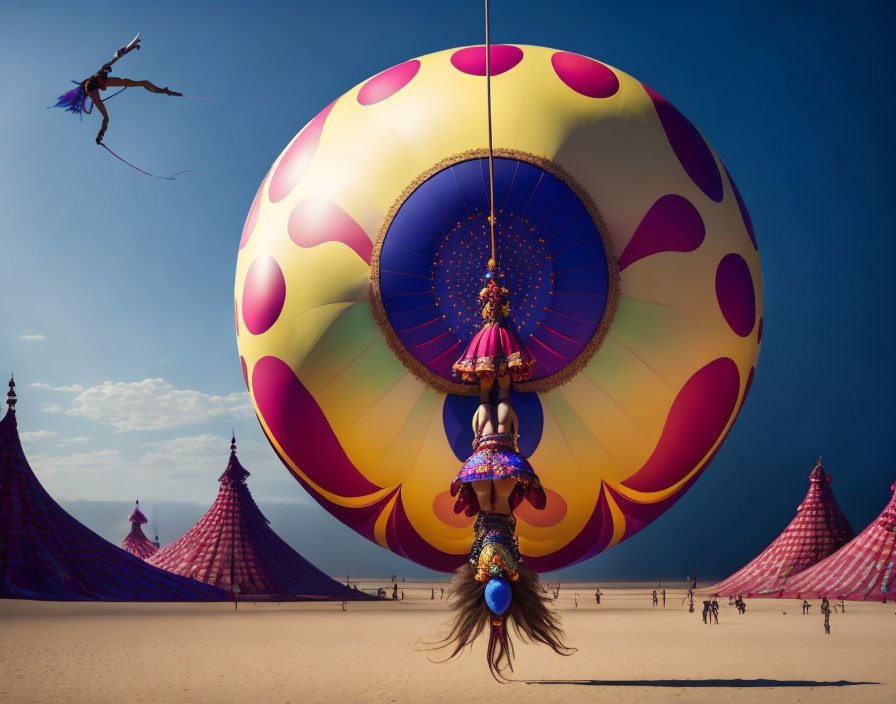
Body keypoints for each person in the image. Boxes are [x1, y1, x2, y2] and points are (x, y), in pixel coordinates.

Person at [52, 34, 182, 145]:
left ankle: (161, 89)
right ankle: (161, 89)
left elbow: (137, 80)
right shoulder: (97, 84)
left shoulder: (100, 83)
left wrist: (163, 91)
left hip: (95, 83)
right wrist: (100, 134)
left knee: (134, 82)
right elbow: (116, 59)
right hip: (93, 84)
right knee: (127, 78)